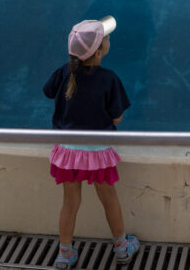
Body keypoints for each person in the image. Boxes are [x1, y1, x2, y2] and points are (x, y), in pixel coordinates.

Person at [43, 16, 140, 268]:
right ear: (99, 51)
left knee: (70, 203)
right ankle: (121, 248)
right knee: (109, 199)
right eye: (106, 38)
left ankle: (65, 253)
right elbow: (116, 116)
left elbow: (48, 91)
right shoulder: (109, 79)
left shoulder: (65, 72)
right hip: (97, 151)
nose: (109, 40)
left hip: (67, 152)